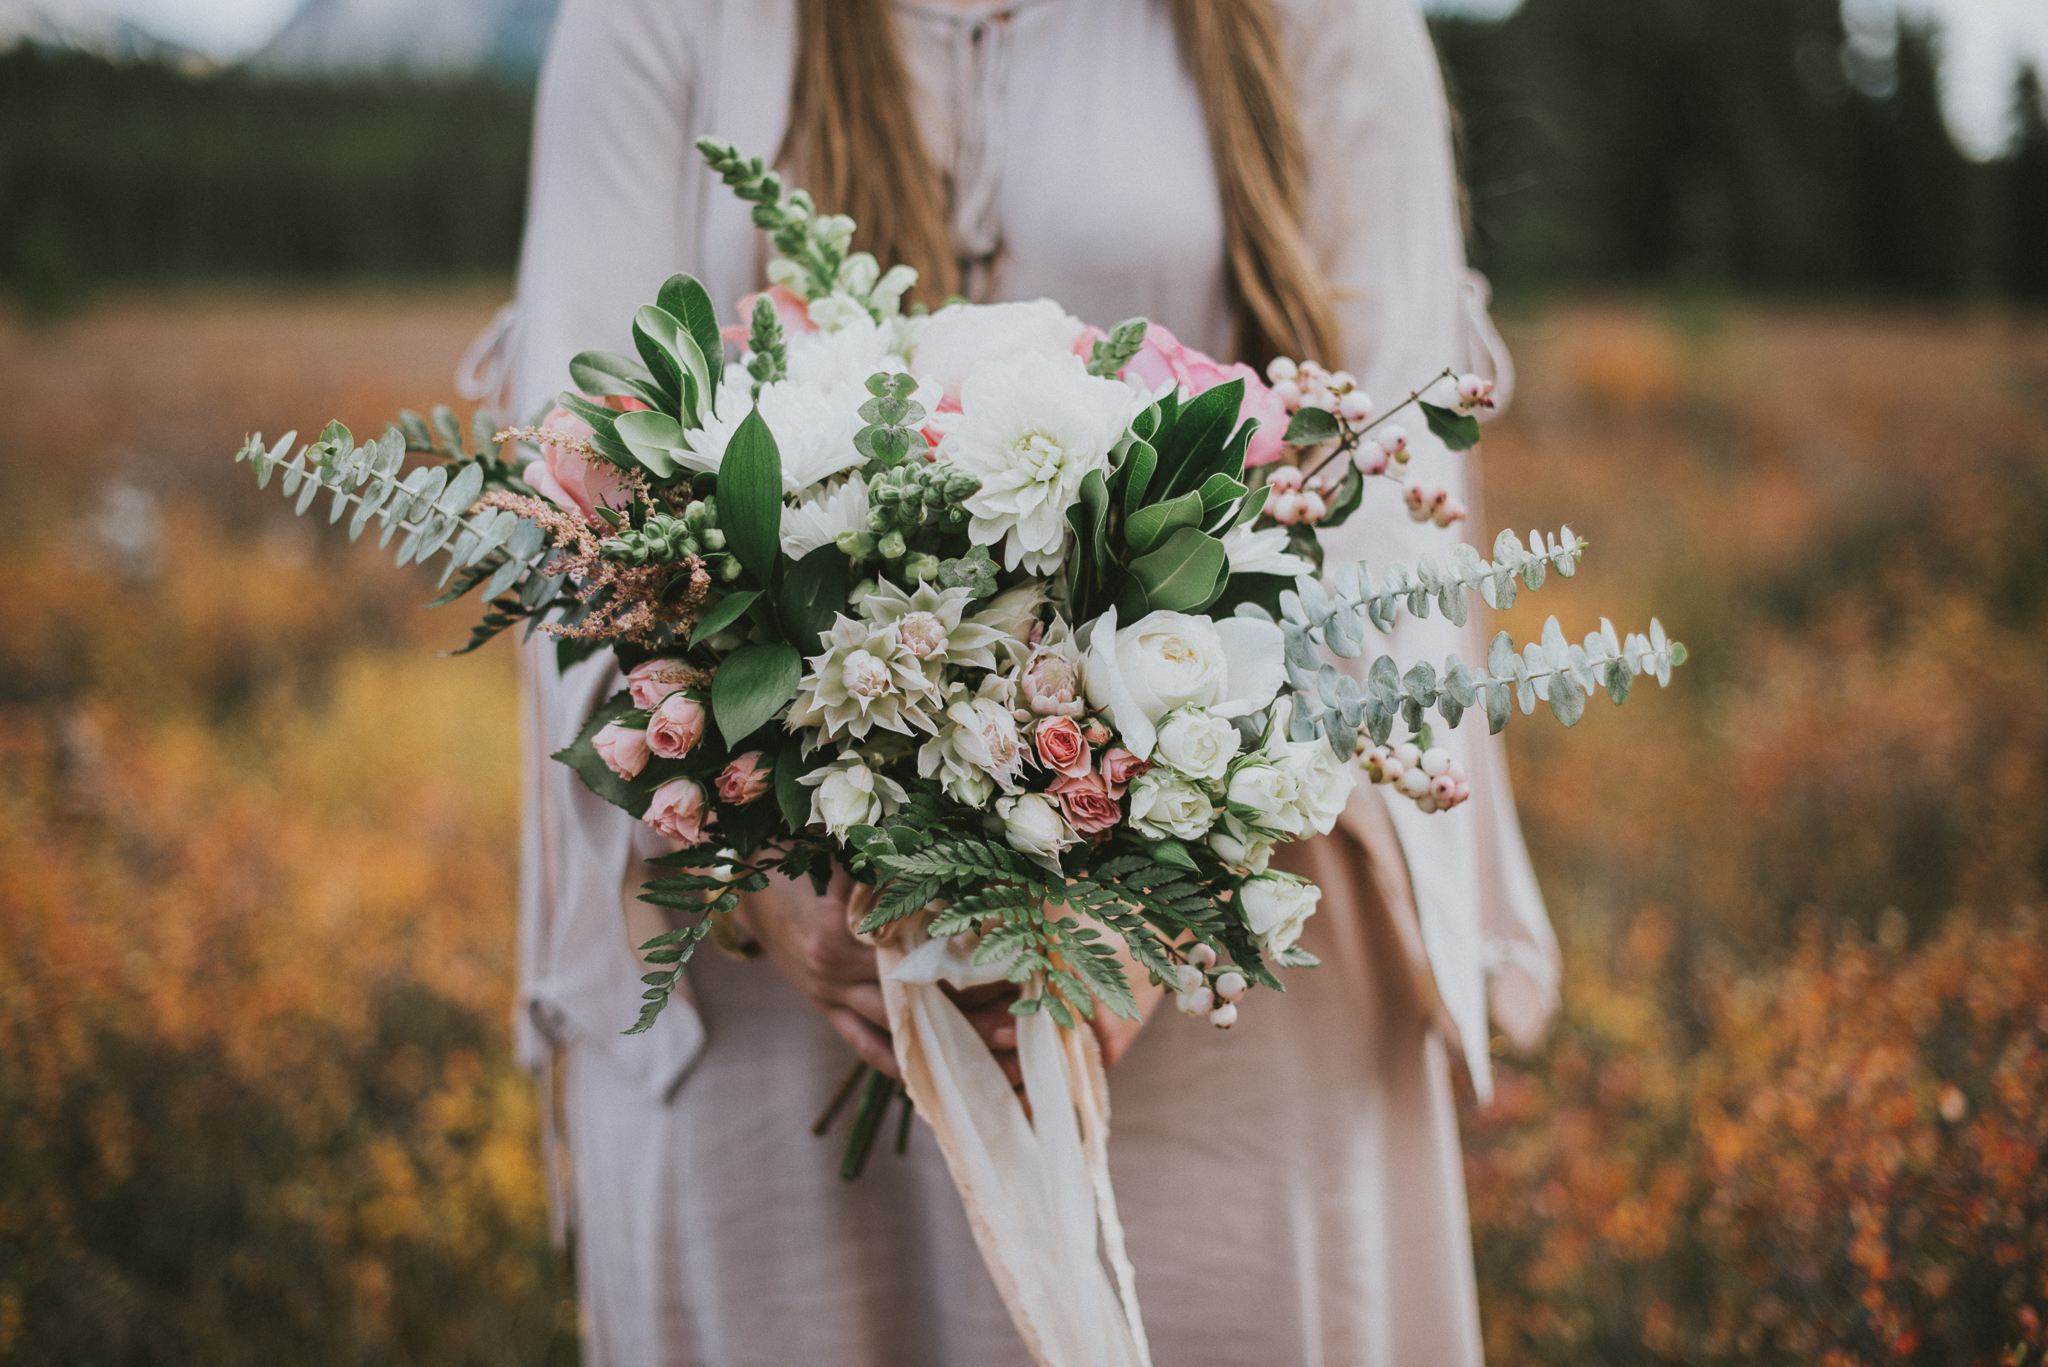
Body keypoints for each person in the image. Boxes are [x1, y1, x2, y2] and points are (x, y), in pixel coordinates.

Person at [504, 1, 1558, 1363]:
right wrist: (776, 893)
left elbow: (1394, 504)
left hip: (1224, 995)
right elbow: (570, 484)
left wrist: (1148, 909)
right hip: (779, 995)